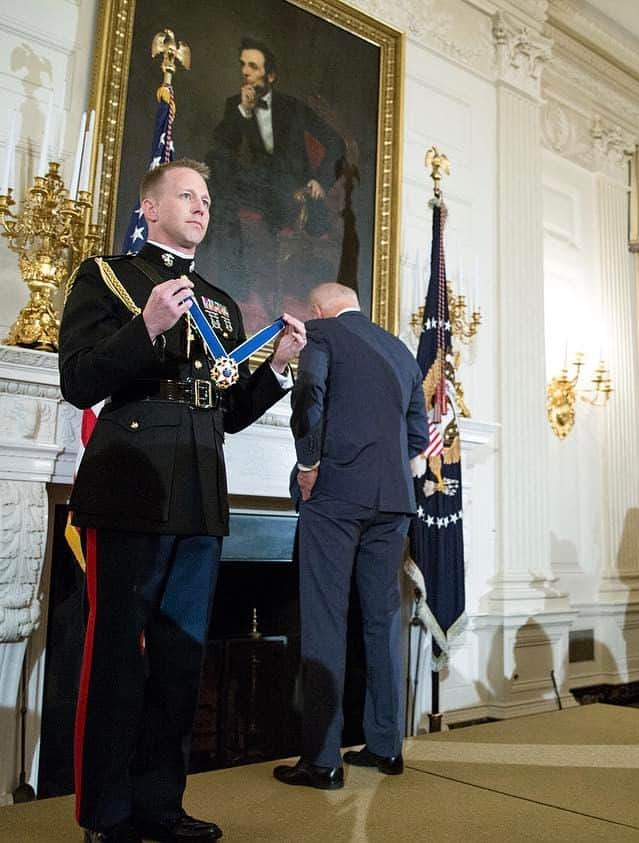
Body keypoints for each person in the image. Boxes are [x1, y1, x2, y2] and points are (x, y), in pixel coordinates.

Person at [59, 159, 307, 842]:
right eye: (188, 195)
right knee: (117, 658)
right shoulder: (107, 277)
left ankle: (160, 804)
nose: (202, 206)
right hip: (130, 481)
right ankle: (106, 814)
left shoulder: (220, 301)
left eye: (207, 196)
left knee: (179, 659)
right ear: (150, 205)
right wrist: (143, 326)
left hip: (199, 488)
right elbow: (78, 381)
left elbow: (224, 409)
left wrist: (279, 367)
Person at [273, 282, 427, 789]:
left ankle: (323, 760)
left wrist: (307, 462)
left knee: (325, 618)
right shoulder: (401, 350)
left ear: (319, 311)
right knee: (382, 621)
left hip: (336, 494)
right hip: (395, 501)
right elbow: (417, 435)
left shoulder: (321, 334)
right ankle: (386, 747)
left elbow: (309, 395)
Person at [204, 37, 345, 321]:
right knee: (219, 183)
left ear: (270, 75)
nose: (245, 72)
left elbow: (336, 143)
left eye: (253, 67)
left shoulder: (293, 108)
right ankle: (233, 284)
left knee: (231, 188)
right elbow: (220, 147)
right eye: (243, 65)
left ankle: (243, 287)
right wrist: (242, 112)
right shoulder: (236, 104)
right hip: (257, 186)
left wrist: (320, 180)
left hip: (294, 189)